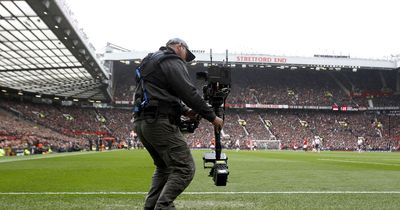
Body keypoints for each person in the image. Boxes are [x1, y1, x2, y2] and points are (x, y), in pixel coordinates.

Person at [133, 38, 224, 210]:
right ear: (179, 47)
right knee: (185, 168)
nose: (184, 59)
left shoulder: (150, 61)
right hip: (159, 122)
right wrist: (212, 117)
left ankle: (150, 207)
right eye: (185, 54)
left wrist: (184, 111)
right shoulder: (171, 60)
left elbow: (157, 91)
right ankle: (164, 206)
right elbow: (187, 91)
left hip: (143, 122)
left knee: (164, 168)